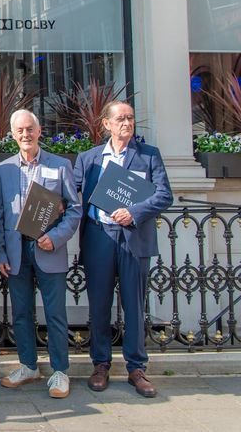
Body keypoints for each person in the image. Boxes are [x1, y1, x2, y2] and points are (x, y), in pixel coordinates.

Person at [74, 101, 172, 398]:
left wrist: (134, 211)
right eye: (120, 119)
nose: (126, 123)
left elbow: (164, 195)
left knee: (134, 305)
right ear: (106, 124)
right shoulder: (88, 159)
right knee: (99, 305)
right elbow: (69, 193)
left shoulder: (148, 156)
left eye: (130, 118)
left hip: (132, 238)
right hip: (99, 237)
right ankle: (100, 364)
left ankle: (136, 368)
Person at [0, 109, 82, 399]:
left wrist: (54, 238)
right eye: (19, 130)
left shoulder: (59, 166)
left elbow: (74, 209)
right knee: (21, 314)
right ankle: (28, 366)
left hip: (47, 249)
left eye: (30, 129)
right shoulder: (3, 169)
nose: (25, 135)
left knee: (55, 314)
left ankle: (59, 371)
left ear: (39, 131)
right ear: (12, 134)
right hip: (17, 252)